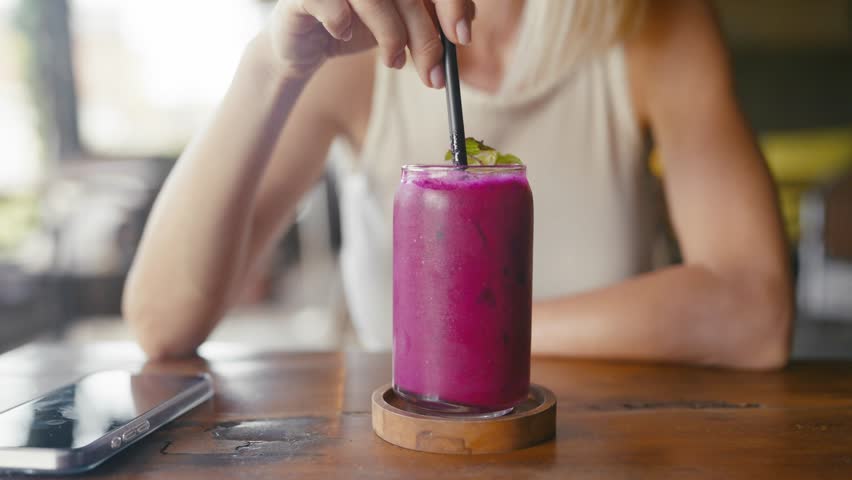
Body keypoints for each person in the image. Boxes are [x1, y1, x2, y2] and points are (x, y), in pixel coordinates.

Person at [123, 0, 792, 369]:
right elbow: (160, 321)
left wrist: (458, 331)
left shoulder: (652, 22)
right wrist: (270, 64)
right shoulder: (349, 41)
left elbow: (755, 312)